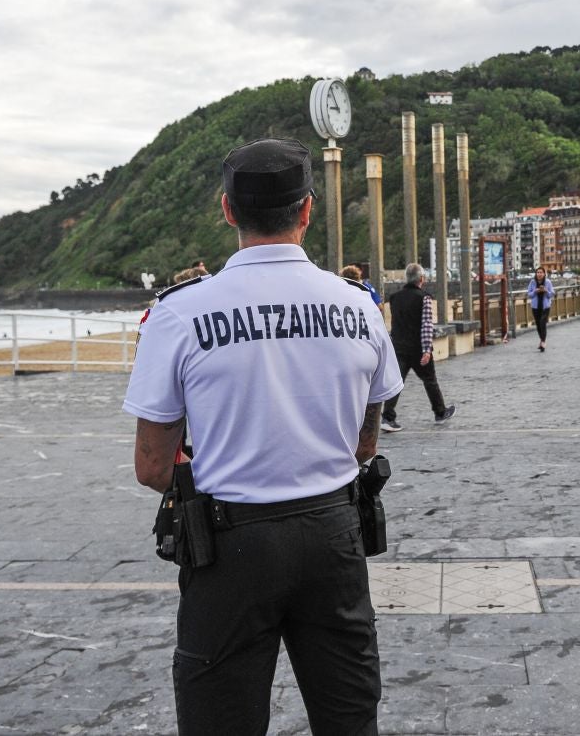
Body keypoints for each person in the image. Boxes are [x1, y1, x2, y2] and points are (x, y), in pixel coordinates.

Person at [124, 137, 403, 735]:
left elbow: (151, 467)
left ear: (228, 211)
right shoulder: (358, 307)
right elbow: (366, 442)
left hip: (229, 546)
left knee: (219, 720)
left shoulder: (178, 313)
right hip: (334, 534)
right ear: (307, 211)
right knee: (350, 718)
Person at [380, 263, 456, 432]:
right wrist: (427, 349)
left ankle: (387, 417)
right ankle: (440, 412)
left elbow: (395, 324)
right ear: (421, 279)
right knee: (430, 380)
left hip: (399, 347)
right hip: (417, 348)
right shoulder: (424, 298)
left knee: (397, 382)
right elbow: (426, 325)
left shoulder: (394, 298)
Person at [526, 266, 555, 352]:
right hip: (535, 306)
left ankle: (543, 342)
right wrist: (535, 291)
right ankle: (542, 341)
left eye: (541, 272)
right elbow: (529, 294)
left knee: (543, 322)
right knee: (538, 325)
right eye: (538, 272)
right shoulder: (532, 282)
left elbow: (552, 293)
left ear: (544, 273)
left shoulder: (548, 282)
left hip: (545, 306)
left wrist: (546, 291)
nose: (539, 274)